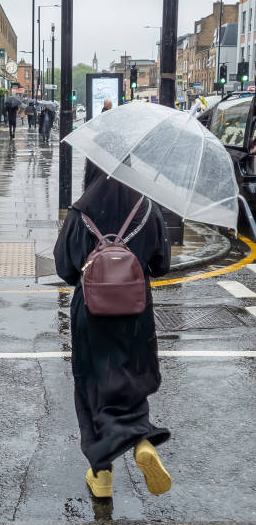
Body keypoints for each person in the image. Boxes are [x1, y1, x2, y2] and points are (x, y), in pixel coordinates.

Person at [53, 170, 172, 499]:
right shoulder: (146, 207)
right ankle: (141, 440)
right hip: (136, 312)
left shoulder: (81, 212)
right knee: (131, 380)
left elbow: (64, 266)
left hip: (91, 312)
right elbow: (162, 264)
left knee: (92, 385)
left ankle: (101, 475)